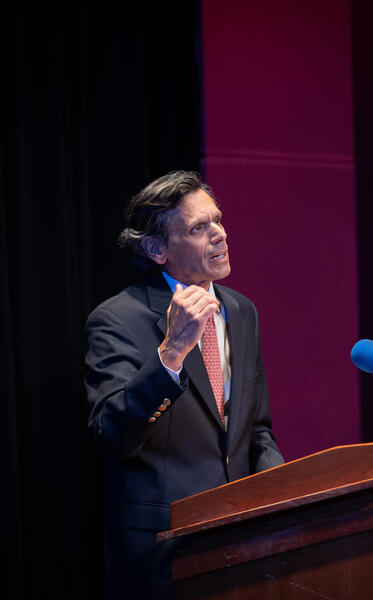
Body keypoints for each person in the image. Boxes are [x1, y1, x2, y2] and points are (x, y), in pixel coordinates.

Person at [85, 171, 284, 599]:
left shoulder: (241, 311)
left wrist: (285, 498)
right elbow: (112, 436)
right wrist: (170, 354)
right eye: (199, 228)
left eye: (217, 220)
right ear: (157, 249)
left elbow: (256, 430)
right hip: (164, 553)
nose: (220, 235)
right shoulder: (118, 320)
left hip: (242, 542)